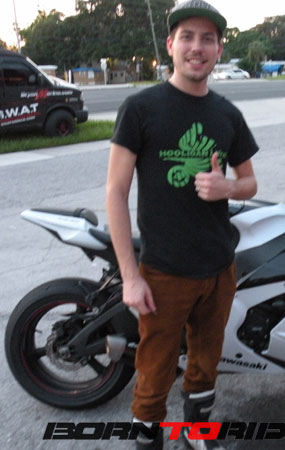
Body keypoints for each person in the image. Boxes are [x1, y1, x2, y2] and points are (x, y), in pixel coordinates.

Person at [105, 1, 259, 449]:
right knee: (155, 368)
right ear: (171, 44)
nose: (197, 47)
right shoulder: (140, 108)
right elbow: (115, 192)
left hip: (219, 268)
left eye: (207, 39)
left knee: (206, 363)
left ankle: (197, 433)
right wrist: (131, 277)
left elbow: (250, 182)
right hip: (163, 272)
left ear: (219, 50)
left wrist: (227, 188)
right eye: (187, 37)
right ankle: (147, 439)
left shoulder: (228, 114)